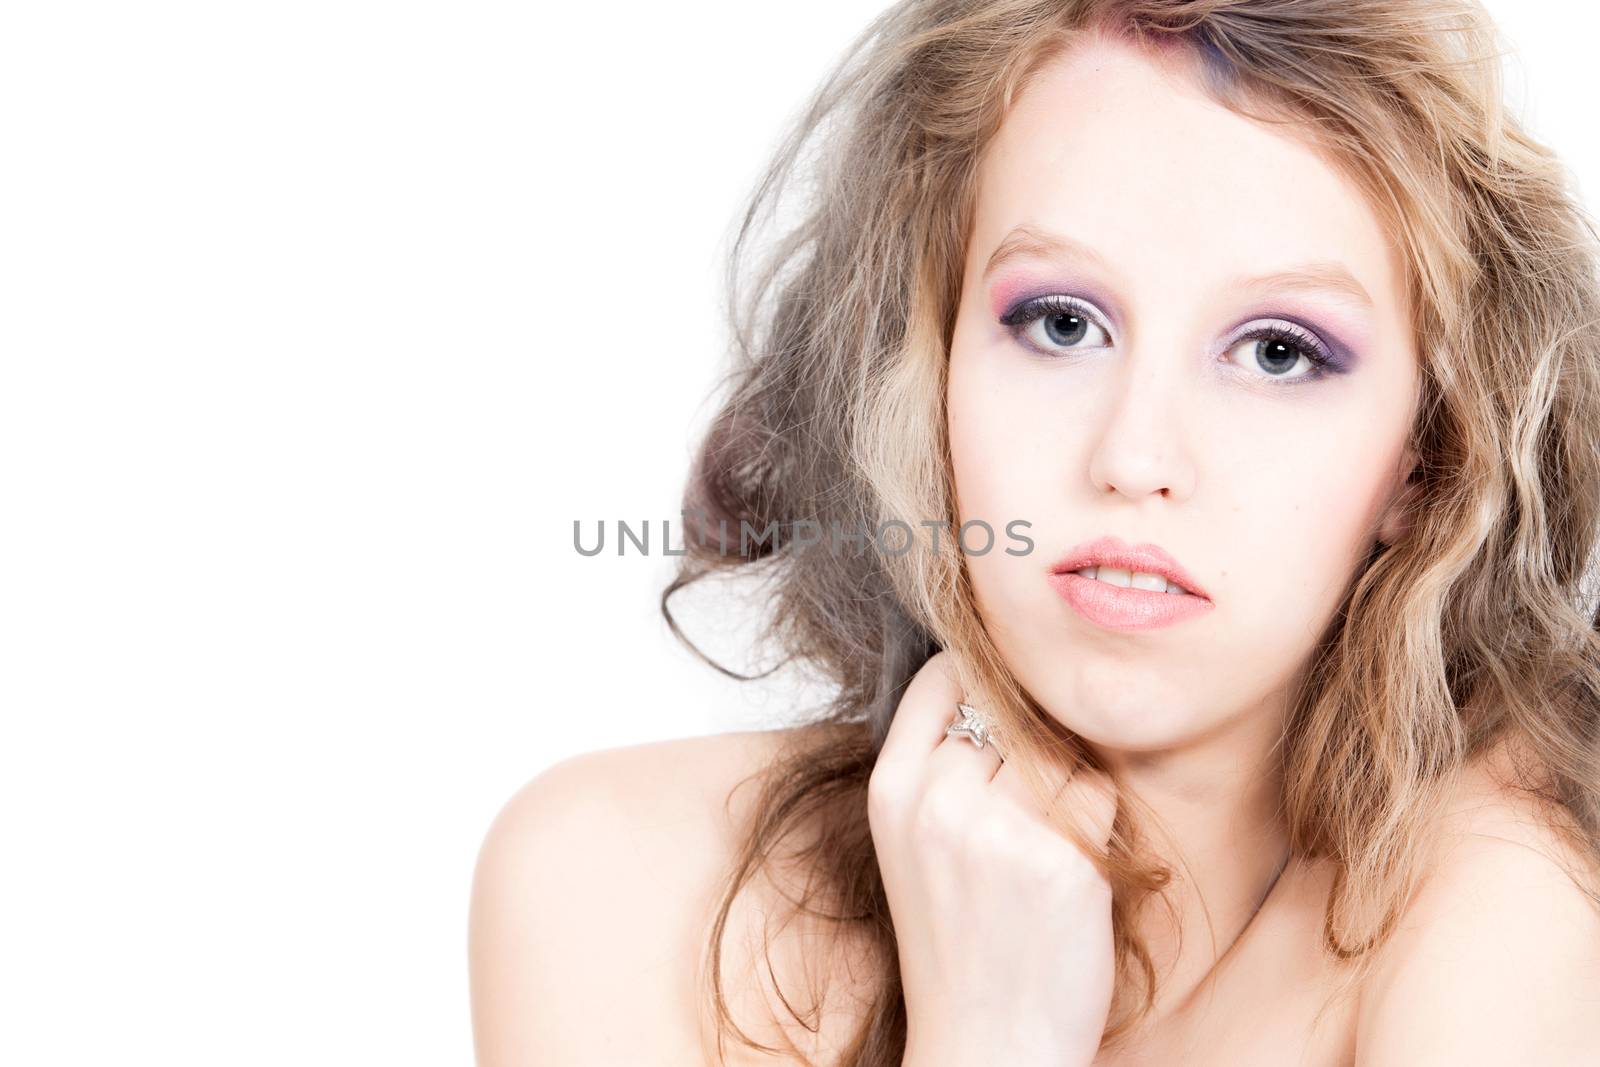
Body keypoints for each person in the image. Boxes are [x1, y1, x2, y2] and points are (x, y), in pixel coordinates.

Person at [469, 1, 1600, 1063]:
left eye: (1276, 351)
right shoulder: (620, 884)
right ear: (928, 365)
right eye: (1061, 323)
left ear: (1427, 455)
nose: (1134, 459)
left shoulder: (1512, 893)